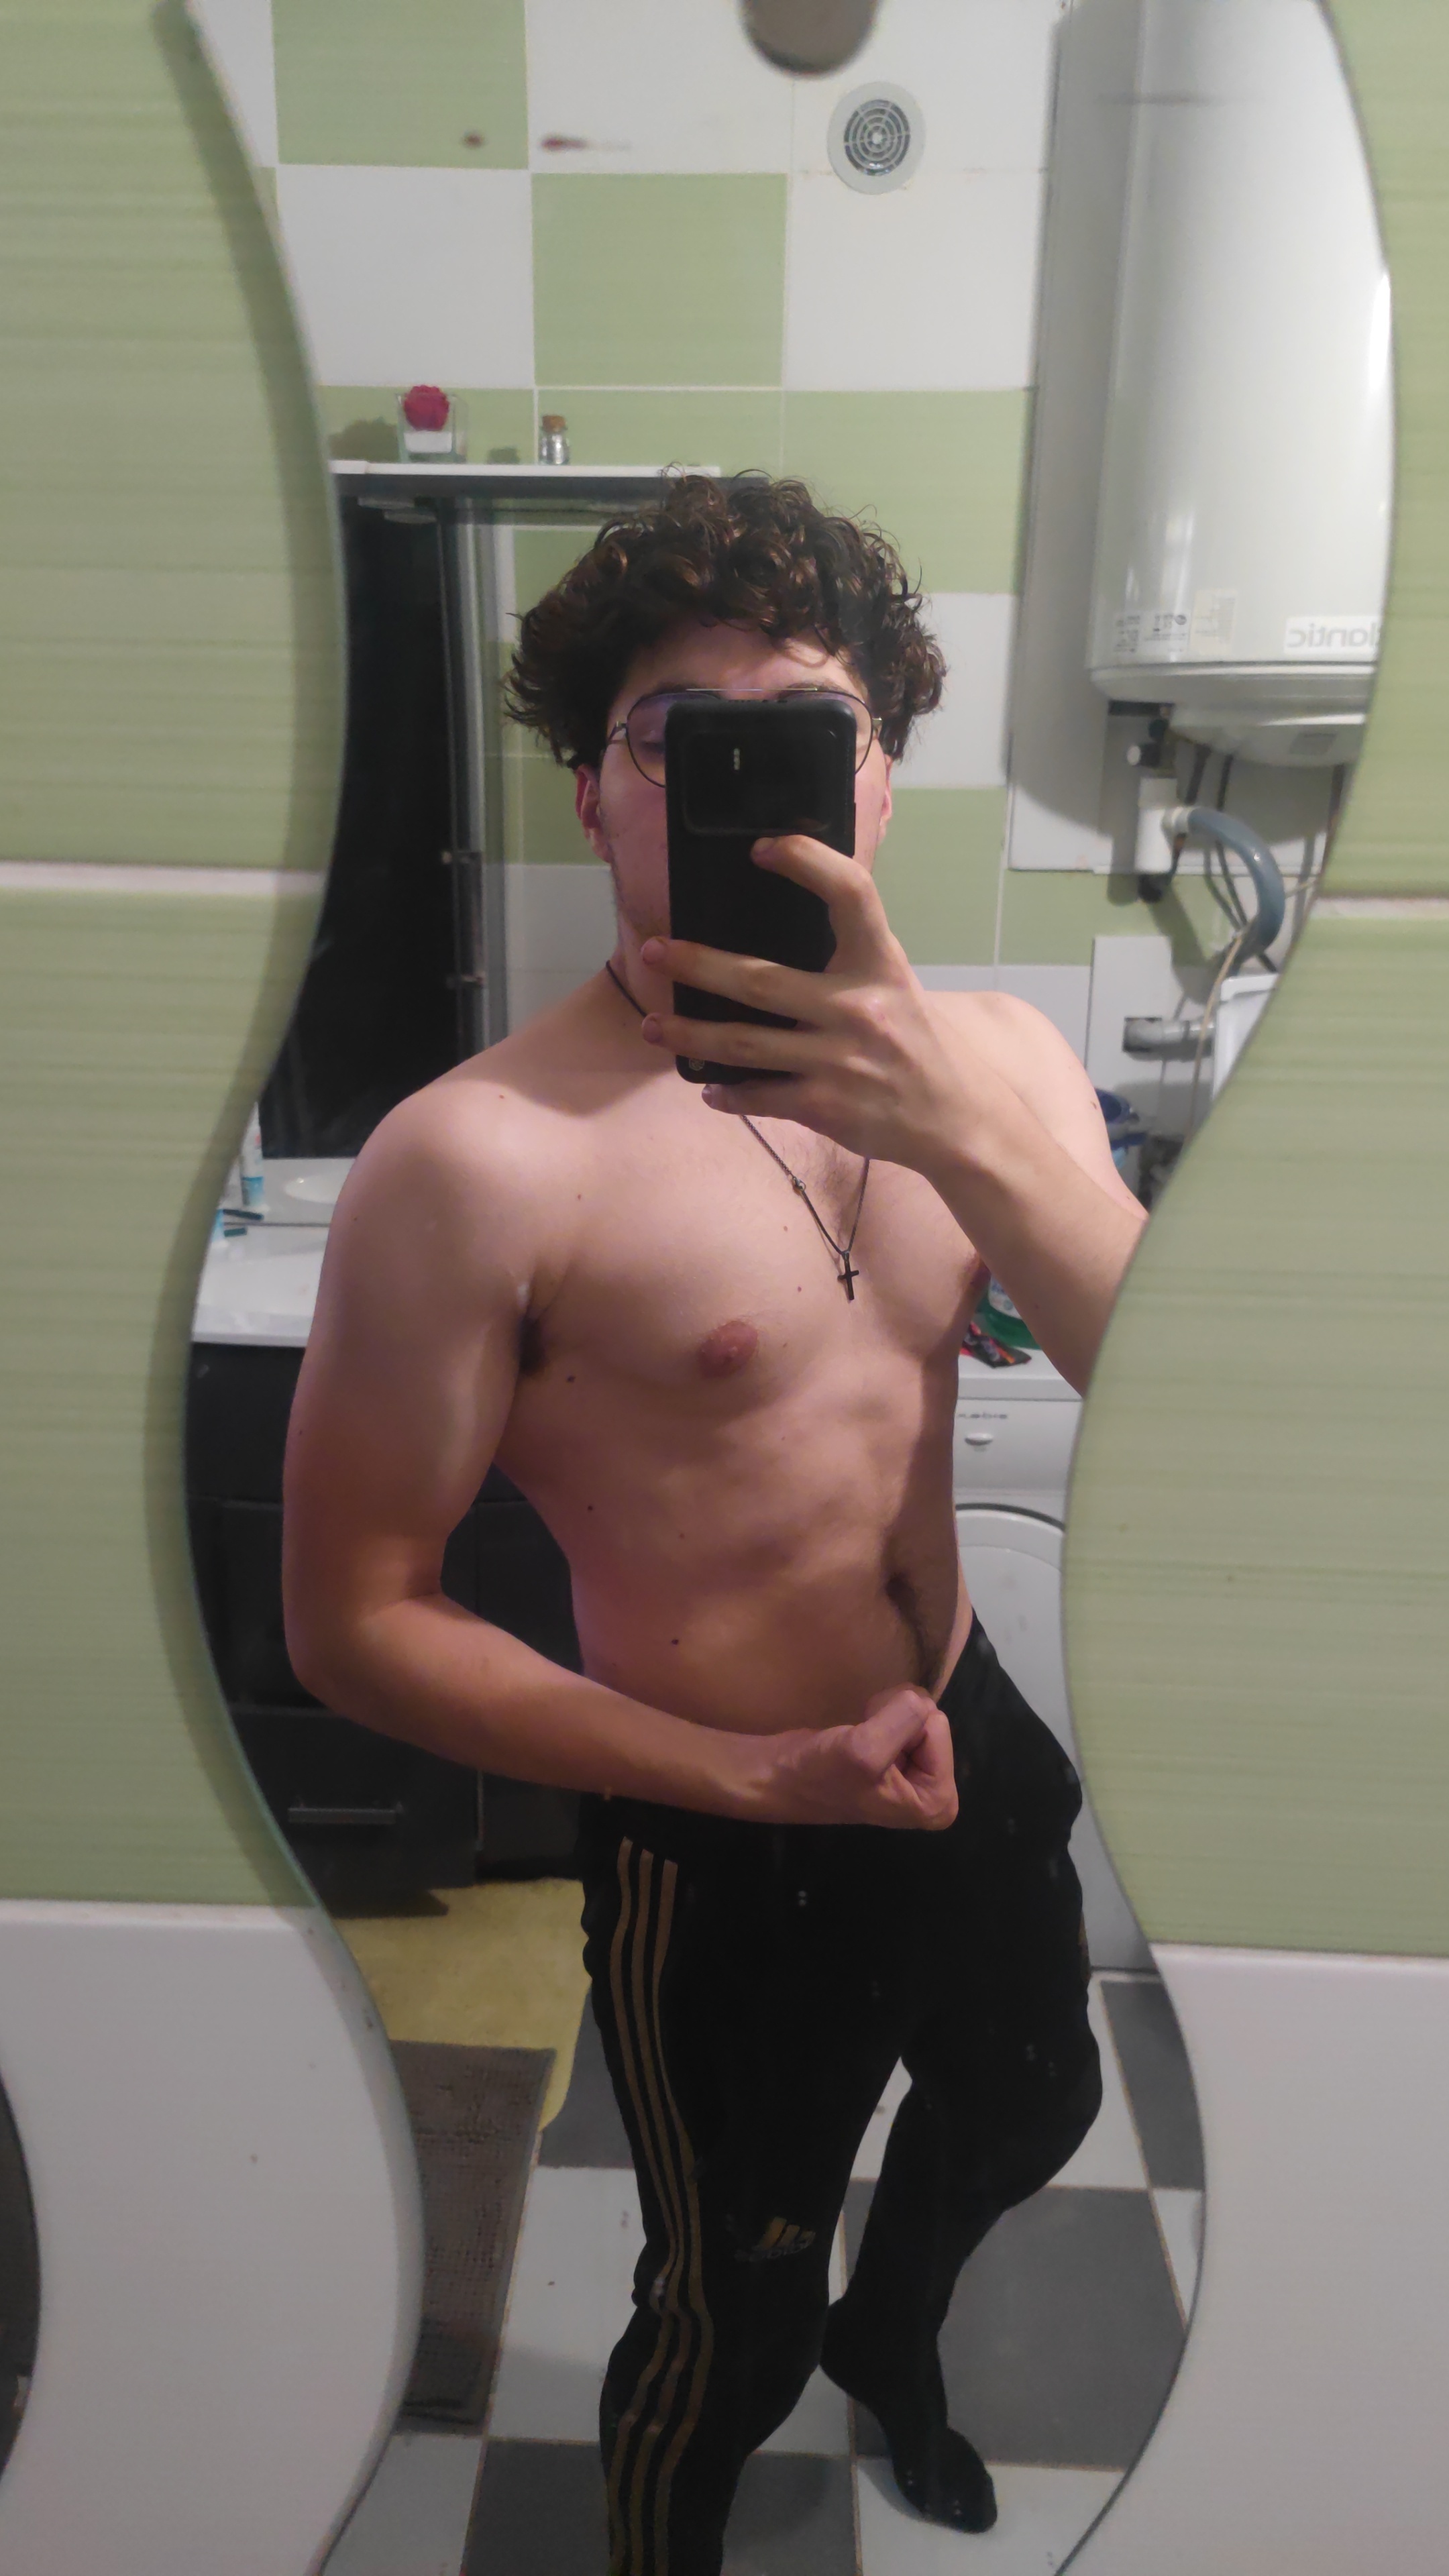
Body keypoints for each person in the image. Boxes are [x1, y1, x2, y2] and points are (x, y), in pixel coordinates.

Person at [282, 475, 1147, 2576]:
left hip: (966, 1725)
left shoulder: (1006, 1065)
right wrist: (749, 1775)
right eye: (680, 738)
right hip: (723, 1824)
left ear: (879, 776)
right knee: (720, 2308)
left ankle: (896, 2336)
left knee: (1033, 2102)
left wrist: (970, 1144)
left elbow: (1185, 1402)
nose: (749, 783)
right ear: (595, 790)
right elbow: (352, 1619)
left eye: (811, 731)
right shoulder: (477, 1162)